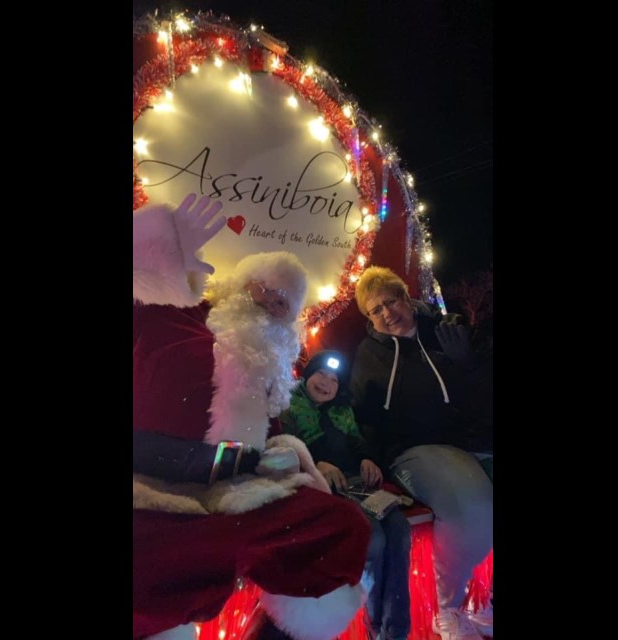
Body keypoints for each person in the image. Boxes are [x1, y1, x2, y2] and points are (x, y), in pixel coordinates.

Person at [133, 193, 372, 640]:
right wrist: (152, 248)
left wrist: (295, 459)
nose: (269, 303)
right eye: (262, 288)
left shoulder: (269, 365)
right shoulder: (172, 313)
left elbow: (274, 432)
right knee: (153, 585)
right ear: (237, 285)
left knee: (343, 531)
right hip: (152, 483)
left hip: (238, 489)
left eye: (283, 302)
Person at [349, 266, 493, 640]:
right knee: (471, 508)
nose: (387, 314)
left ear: (406, 296)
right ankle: (450, 609)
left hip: (474, 440)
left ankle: (483, 600)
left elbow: (484, 395)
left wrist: (468, 363)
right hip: (415, 451)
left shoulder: (446, 331)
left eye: (391, 301)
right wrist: (371, 458)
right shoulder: (371, 354)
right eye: (375, 310)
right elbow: (362, 416)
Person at [280, 349, 412, 640]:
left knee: (400, 532)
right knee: (373, 537)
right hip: (325, 487)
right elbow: (284, 447)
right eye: (321, 375)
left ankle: (397, 630)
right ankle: (377, 625)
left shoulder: (342, 409)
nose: (327, 383)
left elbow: (357, 442)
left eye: (335, 380)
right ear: (308, 374)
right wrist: (316, 464)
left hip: (357, 482)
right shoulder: (288, 405)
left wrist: (367, 459)